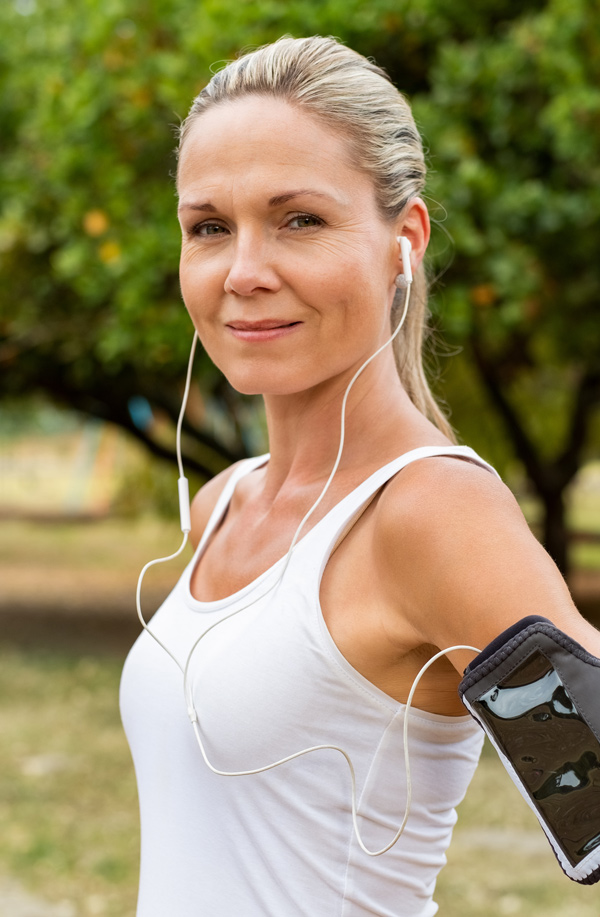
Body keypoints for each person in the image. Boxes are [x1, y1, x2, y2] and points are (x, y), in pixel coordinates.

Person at [120, 35, 600, 916]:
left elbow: (595, 793)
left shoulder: (429, 512)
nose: (245, 272)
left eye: (299, 219)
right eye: (209, 228)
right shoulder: (225, 500)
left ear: (402, 239)